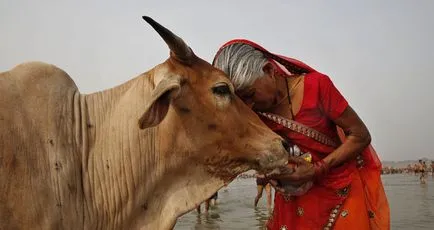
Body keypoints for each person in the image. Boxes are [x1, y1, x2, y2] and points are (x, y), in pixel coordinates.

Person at [212, 39, 390, 230]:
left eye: (249, 95)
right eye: (241, 101)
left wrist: (316, 169)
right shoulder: (254, 114)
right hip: (293, 201)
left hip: (341, 191)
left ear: (269, 71)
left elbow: (360, 135)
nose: (248, 106)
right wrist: (273, 173)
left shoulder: (317, 86)